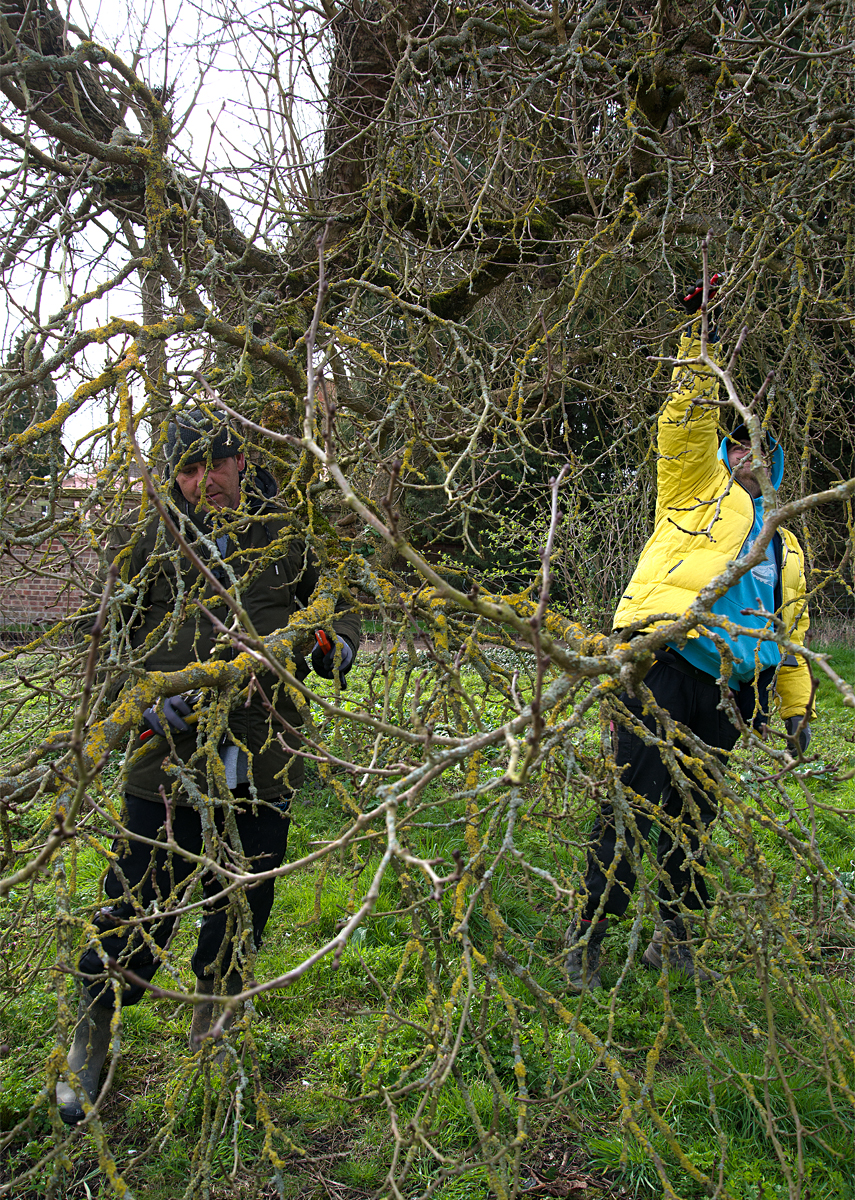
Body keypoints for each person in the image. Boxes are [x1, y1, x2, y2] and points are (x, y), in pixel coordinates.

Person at [56, 410, 360, 1124]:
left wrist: (324, 645)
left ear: (239, 458)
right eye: (185, 472)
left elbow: (337, 613)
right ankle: (93, 1031)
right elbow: (109, 646)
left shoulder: (291, 530)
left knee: (244, 898)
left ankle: (214, 1022)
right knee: (137, 897)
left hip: (264, 751)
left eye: (209, 466)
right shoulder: (148, 539)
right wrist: (141, 701)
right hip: (166, 763)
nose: (201, 483)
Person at [565, 280, 813, 991]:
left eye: (762, 454)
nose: (747, 459)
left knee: (693, 815)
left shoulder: (786, 547)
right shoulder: (693, 491)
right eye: (738, 447)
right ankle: (586, 939)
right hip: (661, 664)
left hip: (727, 692)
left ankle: (673, 938)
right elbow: (682, 425)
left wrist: (793, 709)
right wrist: (699, 339)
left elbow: (790, 634)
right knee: (631, 803)